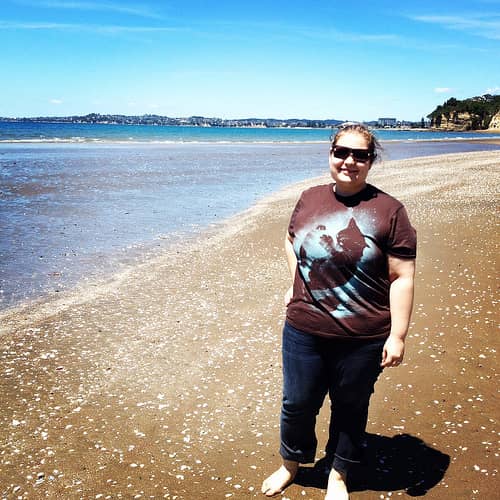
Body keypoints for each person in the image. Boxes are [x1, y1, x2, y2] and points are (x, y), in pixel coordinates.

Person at [261, 123, 416, 499]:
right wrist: (295, 281)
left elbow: (402, 276)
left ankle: (339, 474)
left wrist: (397, 336)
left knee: (350, 407)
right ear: (330, 154)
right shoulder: (309, 198)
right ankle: (290, 465)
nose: (349, 161)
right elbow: (291, 240)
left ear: (371, 160)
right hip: (304, 328)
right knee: (297, 403)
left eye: (360, 155)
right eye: (341, 152)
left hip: (362, 336)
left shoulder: (389, 210)